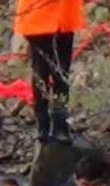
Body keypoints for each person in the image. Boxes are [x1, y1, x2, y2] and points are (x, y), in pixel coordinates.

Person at [14, 0, 84, 143]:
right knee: (55, 74)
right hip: (48, 17)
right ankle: (55, 126)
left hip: (50, 18)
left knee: (48, 73)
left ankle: (48, 126)